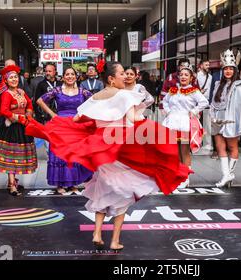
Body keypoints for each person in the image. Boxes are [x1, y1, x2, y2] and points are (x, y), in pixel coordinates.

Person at [25, 61, 191, 252]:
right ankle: (114, 240)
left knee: (104, 189)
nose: (125, 77)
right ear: (111, 78)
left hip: (101, 149)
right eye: (121, 73)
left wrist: (90, 122)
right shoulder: (125, 96)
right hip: (121, 149)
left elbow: (78, 118)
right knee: (125, 194)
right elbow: (133, 119)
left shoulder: (96, 96)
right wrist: (151, 122)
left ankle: (97, 233)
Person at [36, 67, 93, 194]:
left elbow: (94, 102)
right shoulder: (57, 90)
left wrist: (84, 115)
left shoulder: (82, 91)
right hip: (60, 126)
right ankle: (59, 184)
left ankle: (72, 183)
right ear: (63, 77)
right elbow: (39, 101)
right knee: (60, 155)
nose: (70, 76)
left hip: (76, 126)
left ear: (76, 76)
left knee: (74, 154)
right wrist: (52, 114)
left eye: (72, 74)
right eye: (67, 74)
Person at [210, 50, 241, 187]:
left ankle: (228, 175)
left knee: (232, 146)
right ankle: (227, 175)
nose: (228, 71)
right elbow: (213, 102)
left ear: (235, 70)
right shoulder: (218, 84)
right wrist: (212, 117)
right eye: (226, 69)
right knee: (220, 147)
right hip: (218, 118)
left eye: (231, 69)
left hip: (230, 119)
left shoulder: (238, 85)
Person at [162, 64, 209, 188]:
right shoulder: (173, 90)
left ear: (191, 78)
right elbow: (165, 101)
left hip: (184, 123)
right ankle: (178, 175)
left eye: (186, 75)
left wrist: (193, 111)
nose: (183, 77)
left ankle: (186, 178)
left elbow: (204, 102)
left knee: (185, 151)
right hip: (172, 122)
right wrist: (168, 111)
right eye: (181, 74)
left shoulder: (194, 91)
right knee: (175, 152)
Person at [0, 65, 37, 196]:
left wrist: (28, 116)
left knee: (19, 155)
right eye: (11, 77)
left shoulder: (21, 92)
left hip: (22, 127)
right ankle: (12, 185)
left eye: (16, 77)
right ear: (6, 80)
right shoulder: (6, 93)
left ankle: (13, 181)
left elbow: (29, 104)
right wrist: (19, 118)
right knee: (11, 156)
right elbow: (3, 110)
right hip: (11, 128)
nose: (14, 79)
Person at [197, 59, 214, 151]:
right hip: (198, 103)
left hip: (207, 103)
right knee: (197, 123)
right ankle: (197, 142)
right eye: (206, 65)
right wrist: (200, 91)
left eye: (208, 65)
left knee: (207, 124)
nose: (208, 66)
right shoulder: (196, 76)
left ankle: (208, 143)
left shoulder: (210, 77)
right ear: (201, 66)